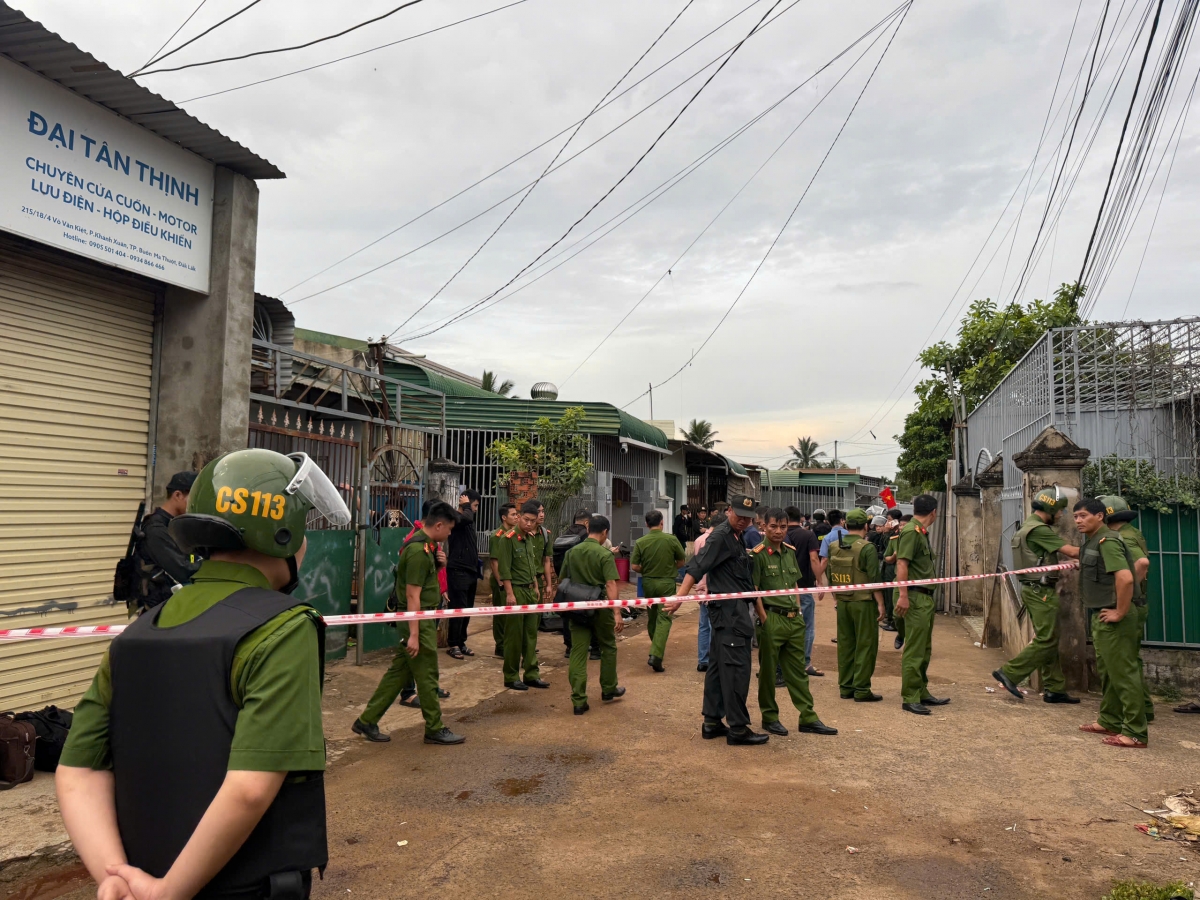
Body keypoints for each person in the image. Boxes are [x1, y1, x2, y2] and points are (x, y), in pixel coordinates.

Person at [57, 448, 352, 900]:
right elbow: (250, 788)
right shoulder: (283, 627)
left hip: (142, 877)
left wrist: (116, 876)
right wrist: (167, 892)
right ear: (283, 533)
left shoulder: (137, 633)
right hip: (243, 887)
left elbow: (77, 771)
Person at [354, 502, 466, 746]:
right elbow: (413, 595)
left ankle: (367, 720)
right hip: (418, 619)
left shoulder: (427, 547)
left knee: (398, 673)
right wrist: (414, 633)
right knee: (427, 674)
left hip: (421, 618)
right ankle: (434, 727)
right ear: (438, 525)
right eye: (449, 529)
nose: (449, 534)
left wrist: (440, 564)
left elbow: (424, 582)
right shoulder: (417, 551)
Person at [668, 494, 768, 746]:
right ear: (729, 511)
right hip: (730, 614)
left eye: (748, 518)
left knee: (717, 667)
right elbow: (696, 566)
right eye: (739, 515)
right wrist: (680, 597)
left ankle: (712, 721)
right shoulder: (721, 536)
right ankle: (738, 728)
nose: (743, 521)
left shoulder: (736, 535)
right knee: (736, 669)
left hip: (729, 612)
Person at [751, 507, 837, 737]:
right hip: (772, 619)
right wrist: (764, 618)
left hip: (793, 620)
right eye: (773, 526)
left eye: (782, 527)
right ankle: (770, 717)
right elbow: (755, 590)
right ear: (764, 526)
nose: (778, 531)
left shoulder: (790, 552)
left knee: (798, 671)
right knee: (768, 673)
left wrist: (798, 611)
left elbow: (794, 584)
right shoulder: (757, 555)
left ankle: (808, 716)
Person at [992, 486, 1081, 703]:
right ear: (1050, 509)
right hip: (1041, 591)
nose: (1061, 515)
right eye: (1059, 511)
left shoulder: (1027, 527)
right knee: (1047, 638)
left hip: (1033, 589)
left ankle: (1054, 688)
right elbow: (1072, 550)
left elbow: (1039, 559)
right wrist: (1101, 548)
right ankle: (1010, 673)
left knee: (1049, 637)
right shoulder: (1040, 530)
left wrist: (1063, 564)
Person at [1074, 498, 1147, 748]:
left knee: (1124, 674)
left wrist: (1120, 612)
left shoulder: (1108, 541)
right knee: (1109, 673)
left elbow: (1126, 578)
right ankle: (1110, 720)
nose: (1078, 521)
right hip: (1101, 615)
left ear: (1100, 516)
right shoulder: (1093, 541)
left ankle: (1135, 732)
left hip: (1114, 618)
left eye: (1084, 515)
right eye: (1076, 517)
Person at [560, 515, 625, 714]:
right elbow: (611, 584)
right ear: (605, 532)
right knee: (608, 646)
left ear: (588, 530)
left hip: (577, 607)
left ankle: (579, 700)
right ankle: (609, 688)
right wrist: (617, 612)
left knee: (578, 652)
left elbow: (563, 579)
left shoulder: (571, 552)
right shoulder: (604, 554)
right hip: (600, 608)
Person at [1099, 495, 1154, 724]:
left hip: (1129, 606)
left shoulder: (1122, 537)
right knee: (1131, 660)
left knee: (1119, 662)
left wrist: (1123, 598)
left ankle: (1128, 715)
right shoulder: (1133, 532)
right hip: (1138, 605)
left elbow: (1142, 563)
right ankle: (1145, 708)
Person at [894, 494, 949, 715]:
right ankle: (910, 696)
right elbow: (902, 564)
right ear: (934, 512)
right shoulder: (911, 532)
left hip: (924, 597)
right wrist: (903, 595)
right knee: (915, 649)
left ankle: (921, 691)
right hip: (915, 596)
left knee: (924, 648)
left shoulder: (920, 532)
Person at [829, 509, 886, 702]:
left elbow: (830, 575)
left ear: (845, 525)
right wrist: (881, 604)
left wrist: (836, 598)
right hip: (863, 603)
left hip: (843, 602)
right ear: (866, 526)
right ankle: (861, 689)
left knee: (845, 645)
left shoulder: (834, 546)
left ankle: (846, 687)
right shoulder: (867, 548)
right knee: (866, 645)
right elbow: (874, 579)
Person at [496, 500, 551, 691]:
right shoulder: (507, 539)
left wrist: (536, 586)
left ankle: (531, 674)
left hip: (530, 590)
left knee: (530, 634)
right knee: (514, 636)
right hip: (516, 591)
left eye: (532, 521)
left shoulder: (529, 539)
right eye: (526, 520)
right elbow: (504, 570)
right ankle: (511, 676)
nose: (529, 524)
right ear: (519, 517)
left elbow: (531, 566)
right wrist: (509, 594)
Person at [132, 471, 201, 612]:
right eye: (194, 498)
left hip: (173, 604)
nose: (196, 504)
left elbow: (191, 556)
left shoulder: (175, 525)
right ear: (178, 495)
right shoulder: (156, 529)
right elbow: (182, 570)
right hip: (157, 610)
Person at [631, 510, 687, 672]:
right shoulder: (671, 539)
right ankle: (656, 654)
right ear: (662, 523)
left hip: (648, 583)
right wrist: (669, 568)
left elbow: (634, 566)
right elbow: (681, 561)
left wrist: (648, 570)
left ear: (646, 524)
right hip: (667, 583)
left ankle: (656, 648)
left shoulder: (641, 542)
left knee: (653, 617)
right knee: (664, 618)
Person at [784, 506, 821, 677]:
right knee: (807, 626)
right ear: (800, 518)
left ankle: (784, 663)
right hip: (804, 586)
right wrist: (819, 580)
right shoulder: (808, 535)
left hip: (783, 587)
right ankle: (805, 662)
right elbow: (814, 558)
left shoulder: (779, 534)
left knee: (784, 625)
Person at [446, 489, 481, 659]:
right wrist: (466, 505)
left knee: (467, 609)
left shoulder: (468, 520)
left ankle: (461, 642)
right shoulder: (455, 517)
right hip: (458, 571)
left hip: (471, 571)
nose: (475, 509)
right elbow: (466, 518)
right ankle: (453, 644)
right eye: (474, 505)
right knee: (457, 609)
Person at [489, 503, 519, 657]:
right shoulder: (497, 536)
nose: (516, 517)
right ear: (504, 517)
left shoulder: (514, 534)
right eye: (513, 514)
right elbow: (494, 562)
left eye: (516, 514)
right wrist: (501, 582)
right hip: (500, 582)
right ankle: (500, 646)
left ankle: (510, 644)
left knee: (511, 615)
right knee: (501, 615)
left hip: (511, 579)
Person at [692, 518, 716, 672]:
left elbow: (696, 564)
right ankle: (714, 659)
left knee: (703, 625)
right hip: (716, 588)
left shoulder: (699, 540)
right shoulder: (719, 540)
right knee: (715, 625)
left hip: (701, 587)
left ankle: (703, 660)